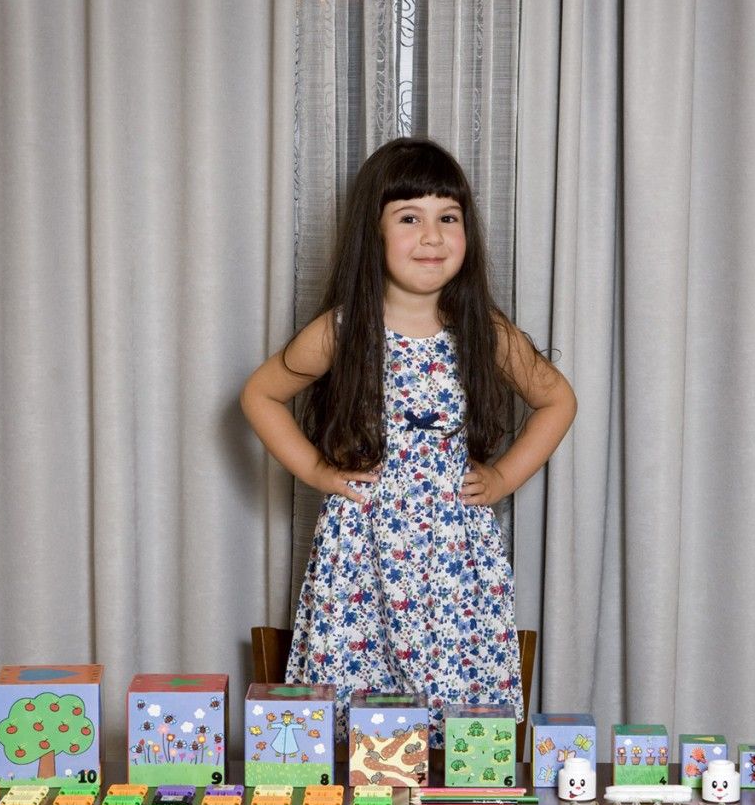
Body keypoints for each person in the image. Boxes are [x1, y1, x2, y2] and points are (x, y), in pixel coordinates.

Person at [241, 137, 576, 745]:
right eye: (409, 218)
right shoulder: (344, 329)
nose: (432, 237)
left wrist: (502, 477)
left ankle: (450, 799)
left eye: (448, 218)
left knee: (457, 722)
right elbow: (260, 395)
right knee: (353, 729)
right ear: (373, 234)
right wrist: (317, 473)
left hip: (453, 555)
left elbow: (558, 400)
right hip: (361, 551)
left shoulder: (484, 330)